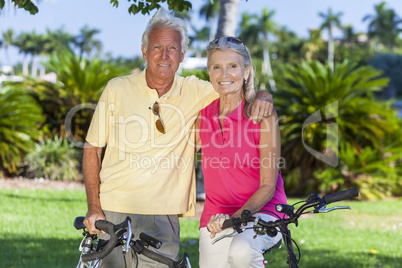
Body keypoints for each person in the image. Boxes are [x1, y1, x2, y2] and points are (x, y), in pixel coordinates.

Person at [83, 8, 273, 268]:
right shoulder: (117, 88)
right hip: (113, 210)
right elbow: (92, 148)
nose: (164, 55)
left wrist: (263, 96)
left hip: (163, 217)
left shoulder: (197, 90)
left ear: (182, 55)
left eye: (172, 48)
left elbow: (233, 85)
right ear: (144, 52)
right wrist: (94, 207)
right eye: (157, 47)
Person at [196, 36, 287, 268]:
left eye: (233, 66)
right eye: (217, 67)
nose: (224, 74)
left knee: (242, 252)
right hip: (216, 217)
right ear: (209, 73)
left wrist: (235, 218)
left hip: (264, 211)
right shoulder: (203, 116)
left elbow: (268, 184)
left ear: (246, 72)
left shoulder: (262, 114)